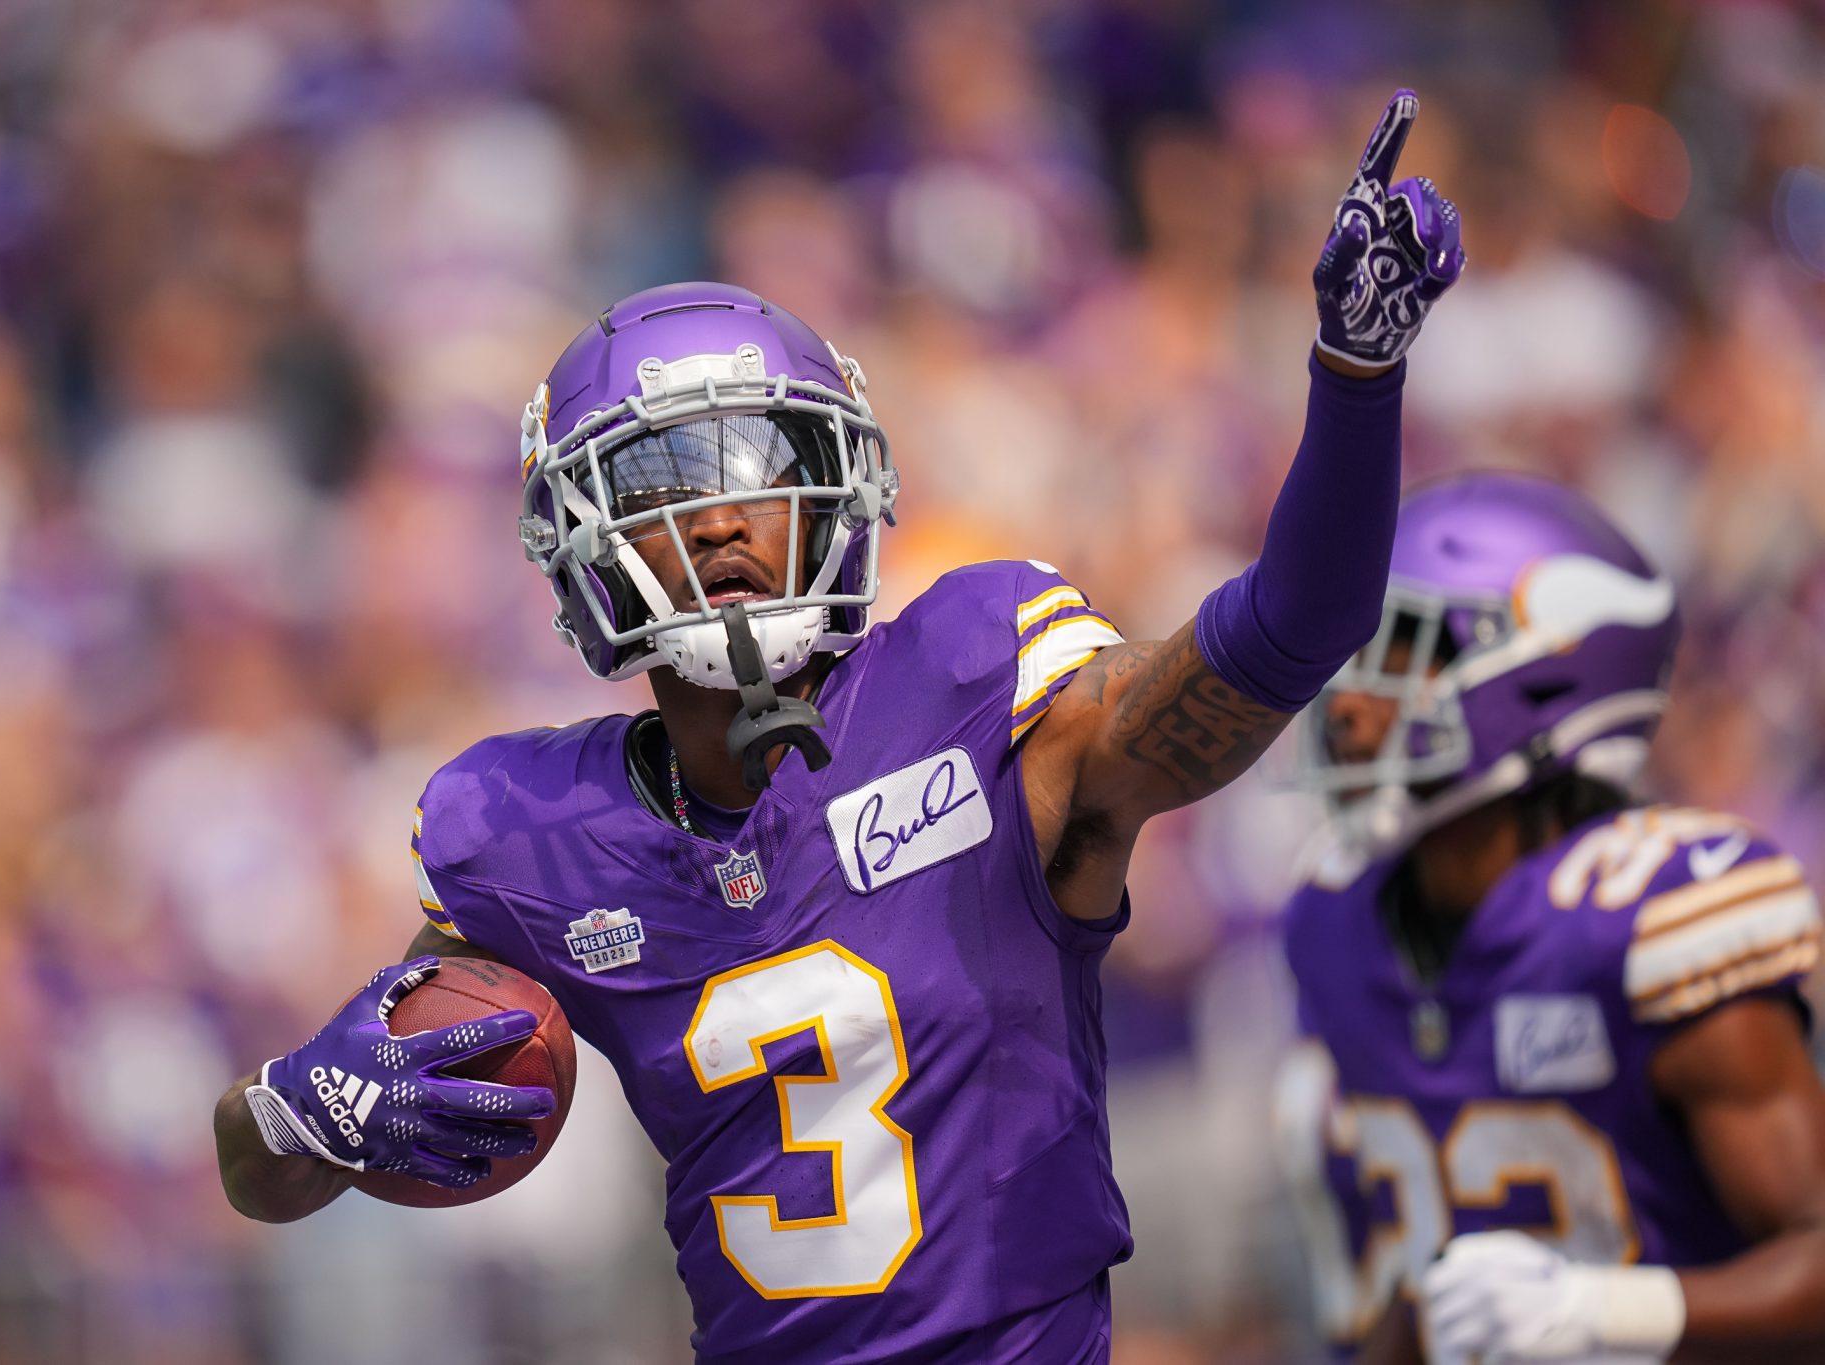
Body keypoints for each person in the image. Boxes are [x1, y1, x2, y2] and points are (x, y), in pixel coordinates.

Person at [214, 90, 1463, 1363]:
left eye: (758, 464)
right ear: (577, 543)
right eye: (661, 483)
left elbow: (1290, 633)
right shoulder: (530, 835)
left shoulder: (979, 682)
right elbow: (267, 1170)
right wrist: (296, 1111)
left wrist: (1354, 383)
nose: (717, 517)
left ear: (841, 487)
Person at [1274, 472, 1825, 1364]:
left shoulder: (1652, 918)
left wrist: (1600, 1312)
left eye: (1398, 652)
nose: (1352, 700)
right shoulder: (1336, 913)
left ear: (1534, 677)